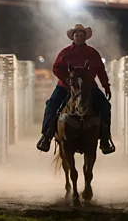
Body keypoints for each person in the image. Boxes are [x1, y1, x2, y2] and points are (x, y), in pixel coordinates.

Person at [36, 24, 115, 155]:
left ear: (85, 37)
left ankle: (105, 138)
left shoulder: (92, 53)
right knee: (51, 104)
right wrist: (66, 79)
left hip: (88, 86)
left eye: (80, 34)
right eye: (76, 34)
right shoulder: (65, 52)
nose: (78, 36)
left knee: (105, 106)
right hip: (66, 86)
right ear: (72, 37)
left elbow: (100, 70)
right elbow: (56, 67)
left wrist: (105, 85)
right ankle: (47, 135)